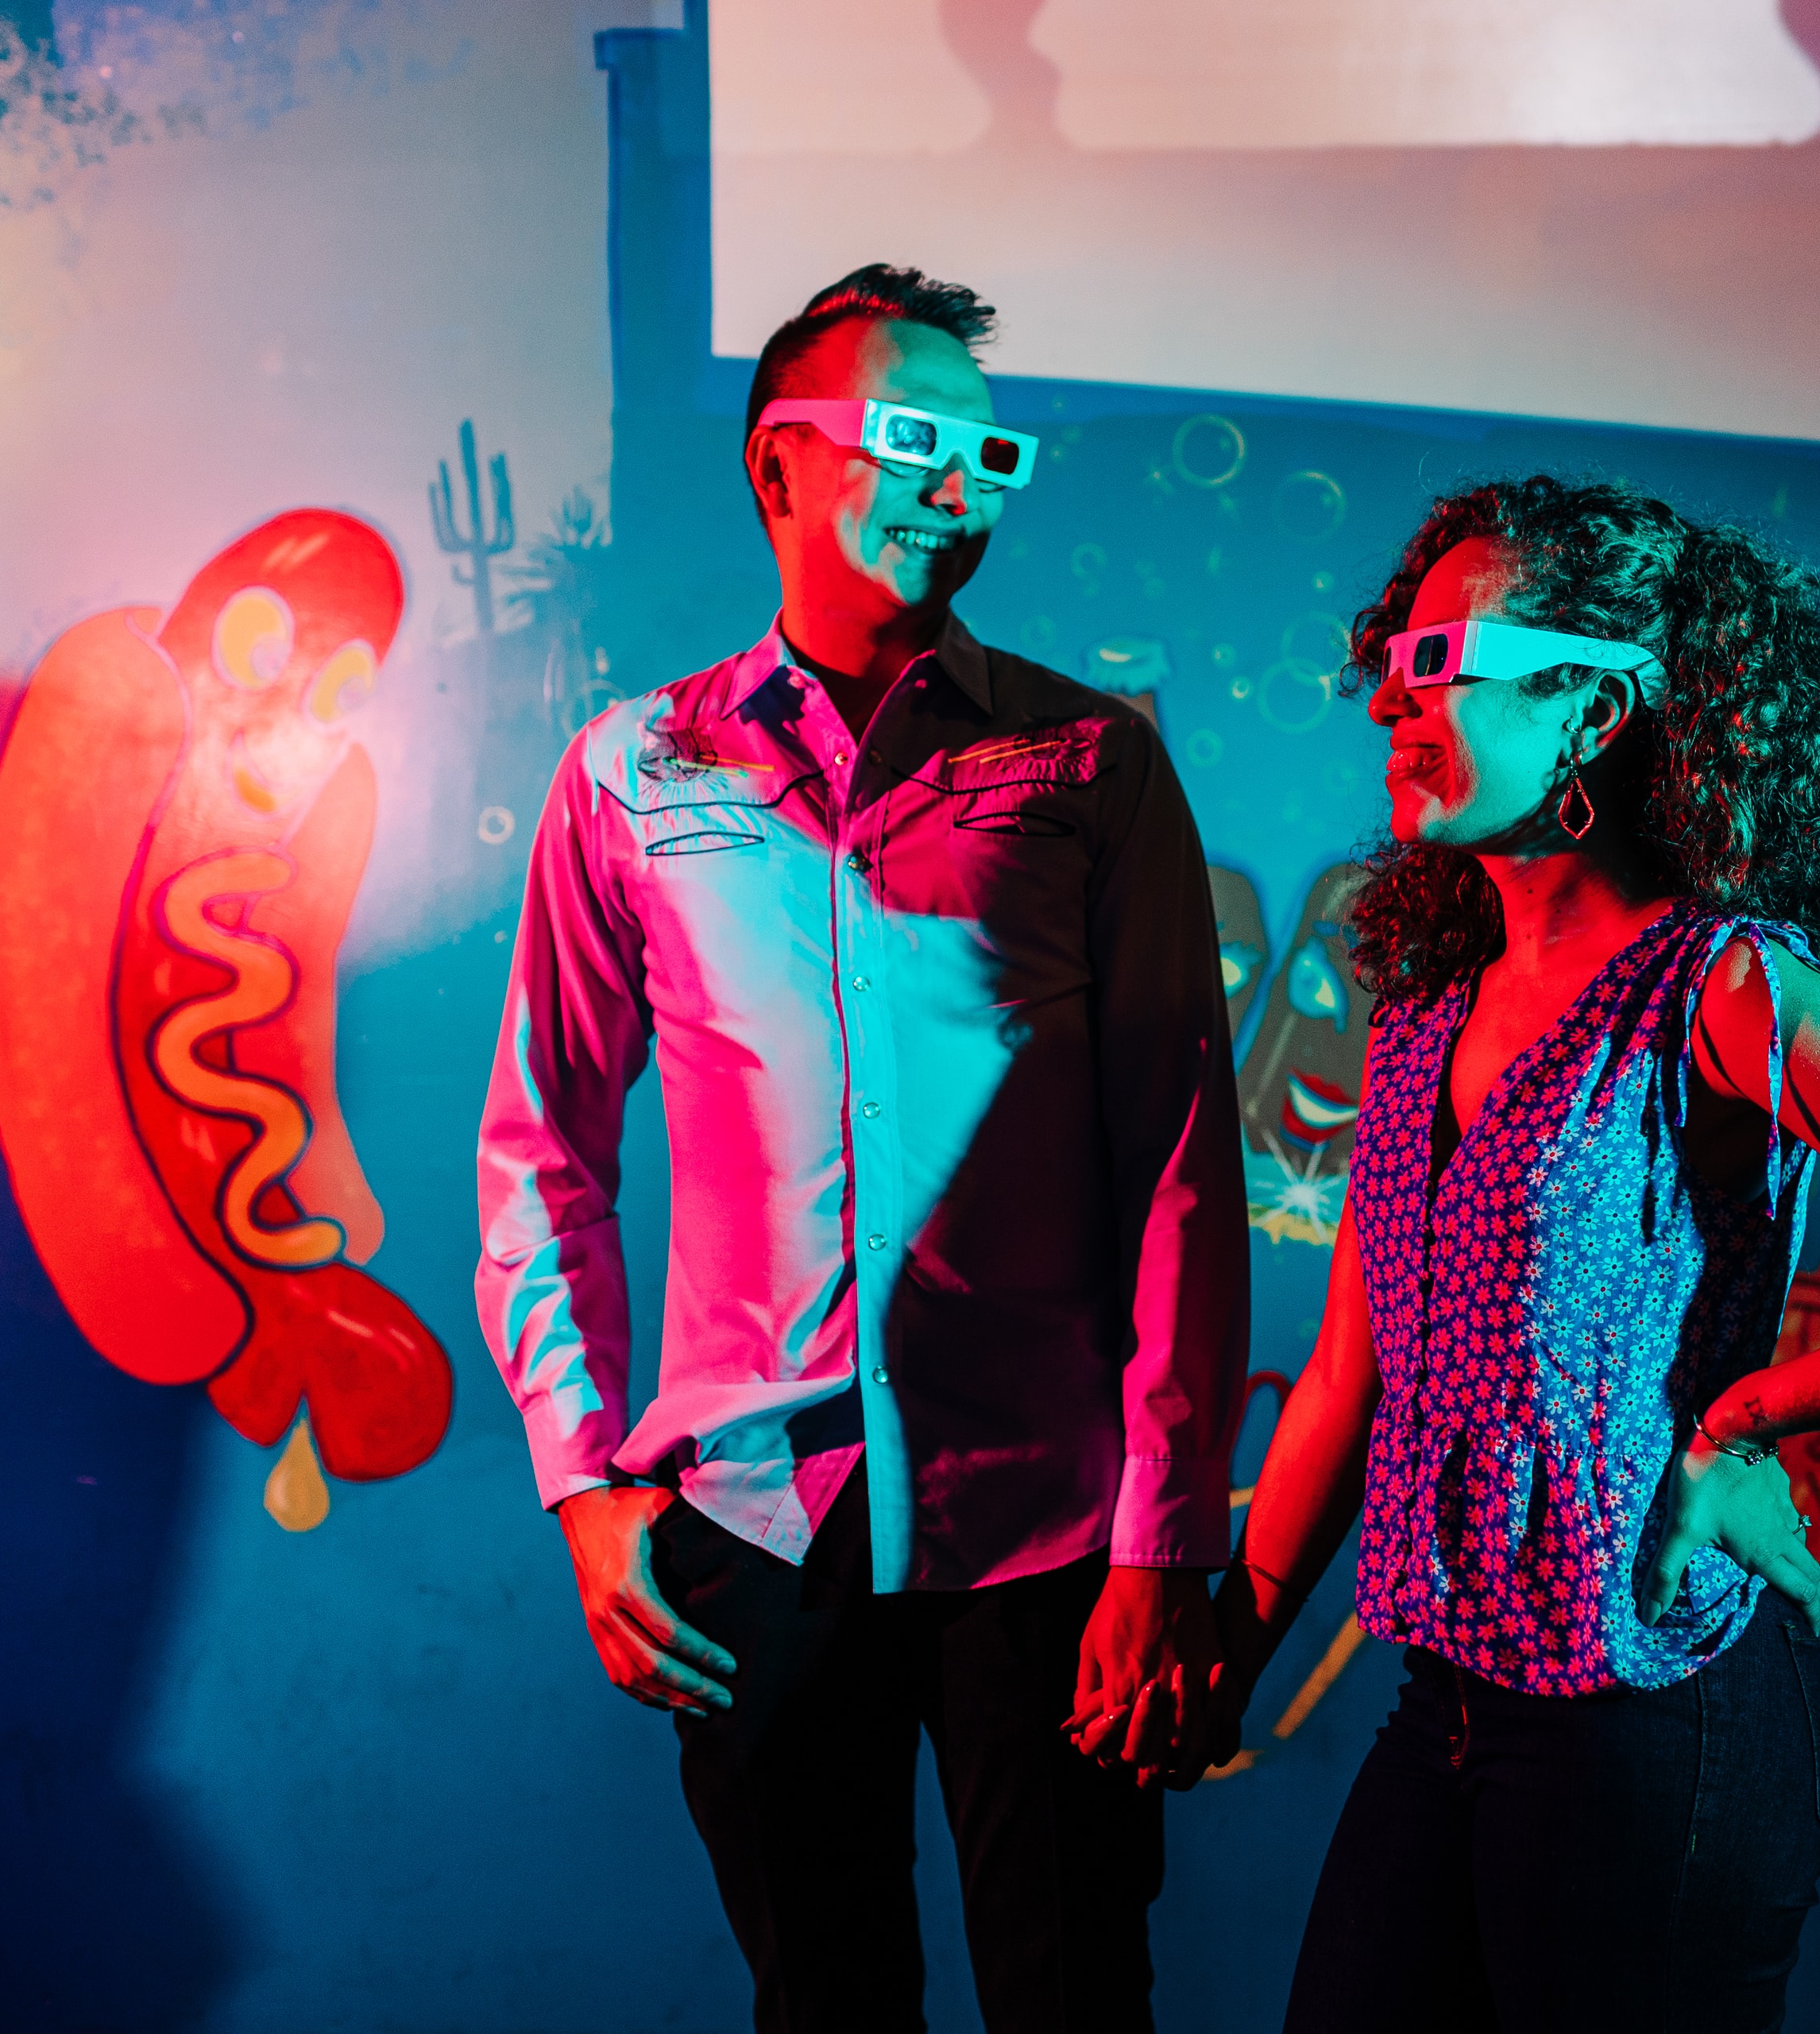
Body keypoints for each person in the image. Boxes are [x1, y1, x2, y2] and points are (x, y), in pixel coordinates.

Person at [1191, 476, 1820, 2032]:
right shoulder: (1422, 1010)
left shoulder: (1715, 992)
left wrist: (1751, 1420)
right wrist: (1228, 1636)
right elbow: (1347, 1370)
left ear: (1594, 702)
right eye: (1394, 652)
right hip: (1450, 1697)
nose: (1388, 687)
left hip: (1659, 1709)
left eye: (1439, 655)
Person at [475, 264, 1246, 2033]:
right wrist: (588, 1486)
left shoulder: (1091, 763)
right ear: (778, 467)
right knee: (823, 2002)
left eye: (991, 455)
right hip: (746, 1522)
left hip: (1050, 1538)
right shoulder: (630, 775)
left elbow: (1185, 1166)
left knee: (1078, 2000)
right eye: (914, 440)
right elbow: (545, 1152)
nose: (958, 486)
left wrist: (1164, 1540)